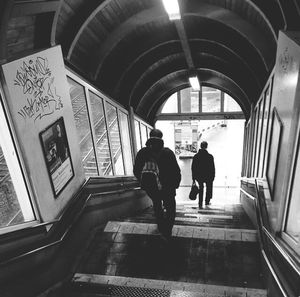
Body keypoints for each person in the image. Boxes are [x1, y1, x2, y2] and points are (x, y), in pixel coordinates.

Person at [133, 128, 181, 239]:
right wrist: (175, 184)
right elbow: (176, 170)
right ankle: (167, 230)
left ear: (149, 137)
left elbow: (136, 170)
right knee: (170, 208)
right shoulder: (168, 152)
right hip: (168, 187)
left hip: (152, 188)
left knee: (157, 206)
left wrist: (144, 182)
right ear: (161, 138)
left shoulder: (142, 153)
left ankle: (160, 226)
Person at [191, 141, 215, 208]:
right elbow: (212, 168)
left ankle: (200, 203)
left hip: (199, 176)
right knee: (208, 188)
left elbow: (193, 168)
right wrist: (213, 176)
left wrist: (193, 178)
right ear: (206, 146)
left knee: (200, 188)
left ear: (200, 146)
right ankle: (207, 201)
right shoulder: (210, 156)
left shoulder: (196, 156)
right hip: (208, 175)